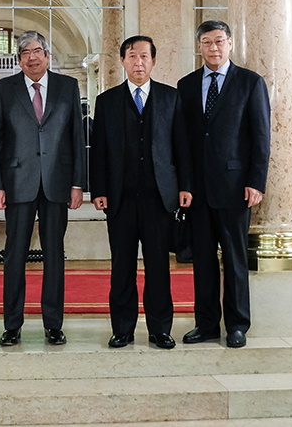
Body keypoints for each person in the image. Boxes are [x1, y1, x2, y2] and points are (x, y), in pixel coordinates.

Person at [90, 36, 192, 350]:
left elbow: (182, 147)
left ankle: (160, 329)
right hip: (119, 199)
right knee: (122, 266)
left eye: (144, 56)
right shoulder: (107, 101)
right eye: (132, 56)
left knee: (158, 266)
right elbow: (99, 151)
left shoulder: (171, 97)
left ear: (153, 61)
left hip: (159, 198)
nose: (138, 62)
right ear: (123, 61)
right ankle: (122, 329)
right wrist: (99, 189)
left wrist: (185, 186)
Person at [177, 20, 271, 349]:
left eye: (219, 41)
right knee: (202, 261)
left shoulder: (250, 82)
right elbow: (183, 141)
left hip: (235, 188)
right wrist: (185, 184)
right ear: (199, 46)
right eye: (207, 42)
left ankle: (237, 325)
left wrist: (256, 181)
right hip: (198, 191)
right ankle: (205, 325)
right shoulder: (187, 85)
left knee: (234, 260)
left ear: (230, 44)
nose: (213, 48)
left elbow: (261, 136)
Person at [0, 30, 86, 346]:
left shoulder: (67, 86)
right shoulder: (3, 89)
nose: (32, 57)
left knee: (54, 254)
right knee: (14, 255)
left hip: (58, 182)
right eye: (25, 53)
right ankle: (12, 325)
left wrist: (78, 183)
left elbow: (77, 137)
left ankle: (53, 324)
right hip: (17, 182)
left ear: (47, 55)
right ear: (19, 60)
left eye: (37, 51)